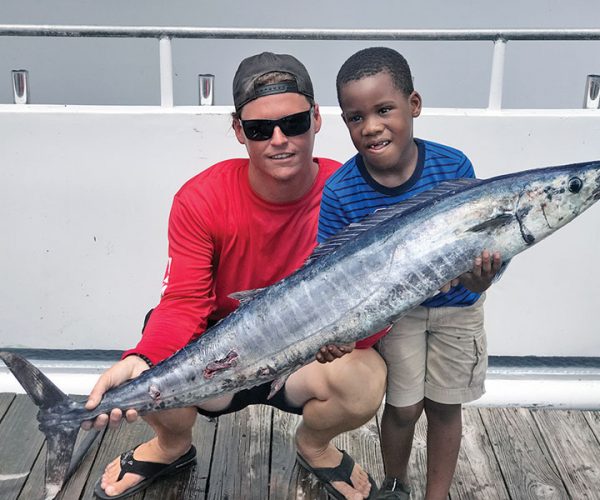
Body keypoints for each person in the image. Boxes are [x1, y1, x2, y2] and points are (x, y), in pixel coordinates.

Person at [84, 51, 387, 500]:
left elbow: (376, 300)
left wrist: (351, 340)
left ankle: (313, 445)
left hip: (307, 360)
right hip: (218, 359)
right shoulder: (200, 198)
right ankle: (171, 445)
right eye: (260, 129)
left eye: (294, 123)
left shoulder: (351, 193)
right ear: (237, 131)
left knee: (365, 378)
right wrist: (142, 358)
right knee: (155, 358)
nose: (279, 139)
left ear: (317, 119)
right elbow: (184, 303)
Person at [318, 47, 503, 500]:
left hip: (459, 310)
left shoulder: (453, 166)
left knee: (445, 407)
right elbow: (330, 279)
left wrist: (482, 279)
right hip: (396, 317)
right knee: (402, 408)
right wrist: (338, 332)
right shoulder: (340, 191)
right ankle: (394, 486)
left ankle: (435, 495)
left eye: (384, 110)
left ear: (413, 105)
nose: (371, 126)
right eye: (355, 117)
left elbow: (481, 247)